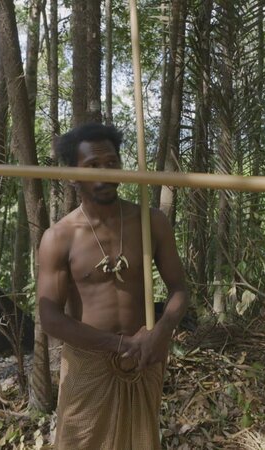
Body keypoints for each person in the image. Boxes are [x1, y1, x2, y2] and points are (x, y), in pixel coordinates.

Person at [38, 123, 189, 449]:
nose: (104, 172)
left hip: (143, 361)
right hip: (87, 365)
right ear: (73, 175)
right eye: (92, 166)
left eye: (111, 163)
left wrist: (161, 332)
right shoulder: (60, 237)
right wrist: (117, 343)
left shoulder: (150, 222)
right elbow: (50, 318)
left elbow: (180, 288)